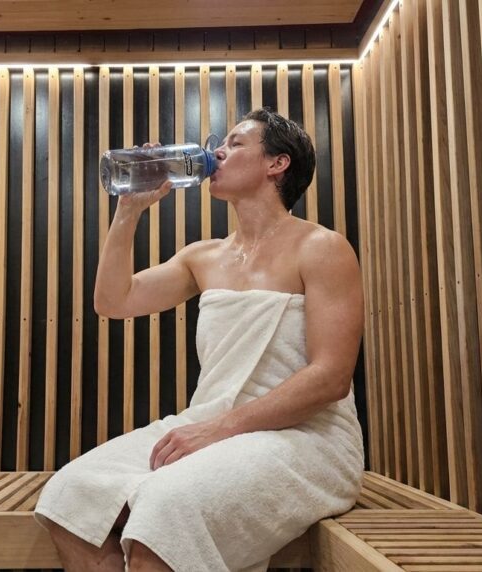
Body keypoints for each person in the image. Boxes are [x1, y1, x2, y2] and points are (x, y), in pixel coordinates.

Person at [33, 108, 365, 572]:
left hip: (305, 437)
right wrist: (129, 210)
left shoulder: (322, 248)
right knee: (71, 499)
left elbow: (330, 378)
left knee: (162, 517)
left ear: (277, 164)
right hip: (212, 423)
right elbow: (113, 300)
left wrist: (218, 430)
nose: (216, 151)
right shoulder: (203, 257)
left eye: (234, 143)